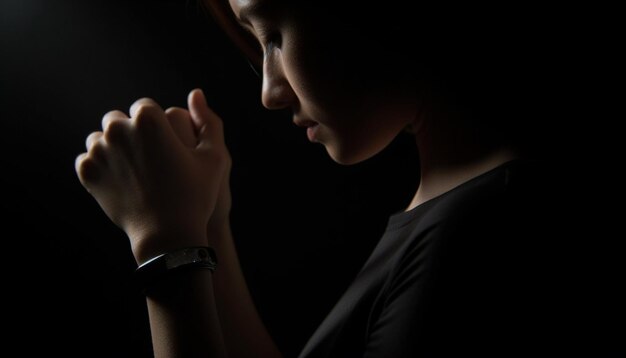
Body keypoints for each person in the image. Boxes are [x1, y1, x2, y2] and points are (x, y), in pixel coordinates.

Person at [74, 1, 602, 357]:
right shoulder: (462, 204)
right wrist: (209, 220)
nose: (269, 91)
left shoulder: (484, 232)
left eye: (275, 35)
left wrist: (165, 246)